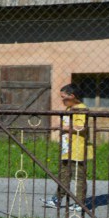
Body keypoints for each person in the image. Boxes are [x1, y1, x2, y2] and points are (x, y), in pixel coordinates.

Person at [43, 83, 90, 211]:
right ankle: (56, 200)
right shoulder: (69, 109)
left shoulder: (81, 109)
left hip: (77, 148)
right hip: (67, 148)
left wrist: (62, 128)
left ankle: (80, 203)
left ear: (72, 96)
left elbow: (81, 127)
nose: (62, 100)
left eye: (64, 97)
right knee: (64, 175)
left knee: (78, 177)